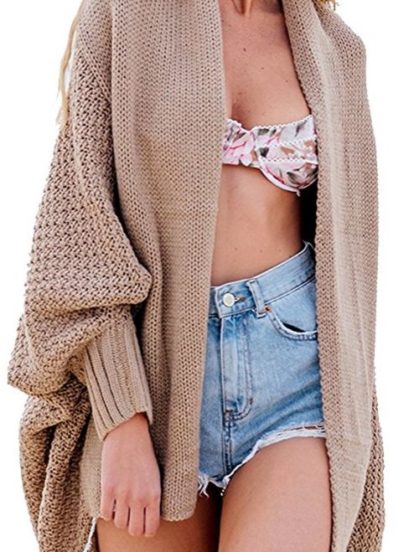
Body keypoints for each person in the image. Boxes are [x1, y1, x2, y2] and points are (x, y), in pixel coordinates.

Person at [7, 0, 385, 551]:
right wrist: (121, 418)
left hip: (294, 370)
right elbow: (82, 234)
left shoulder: (334, 47)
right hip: (151, 371)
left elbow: (346, 262)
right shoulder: (122, 18)